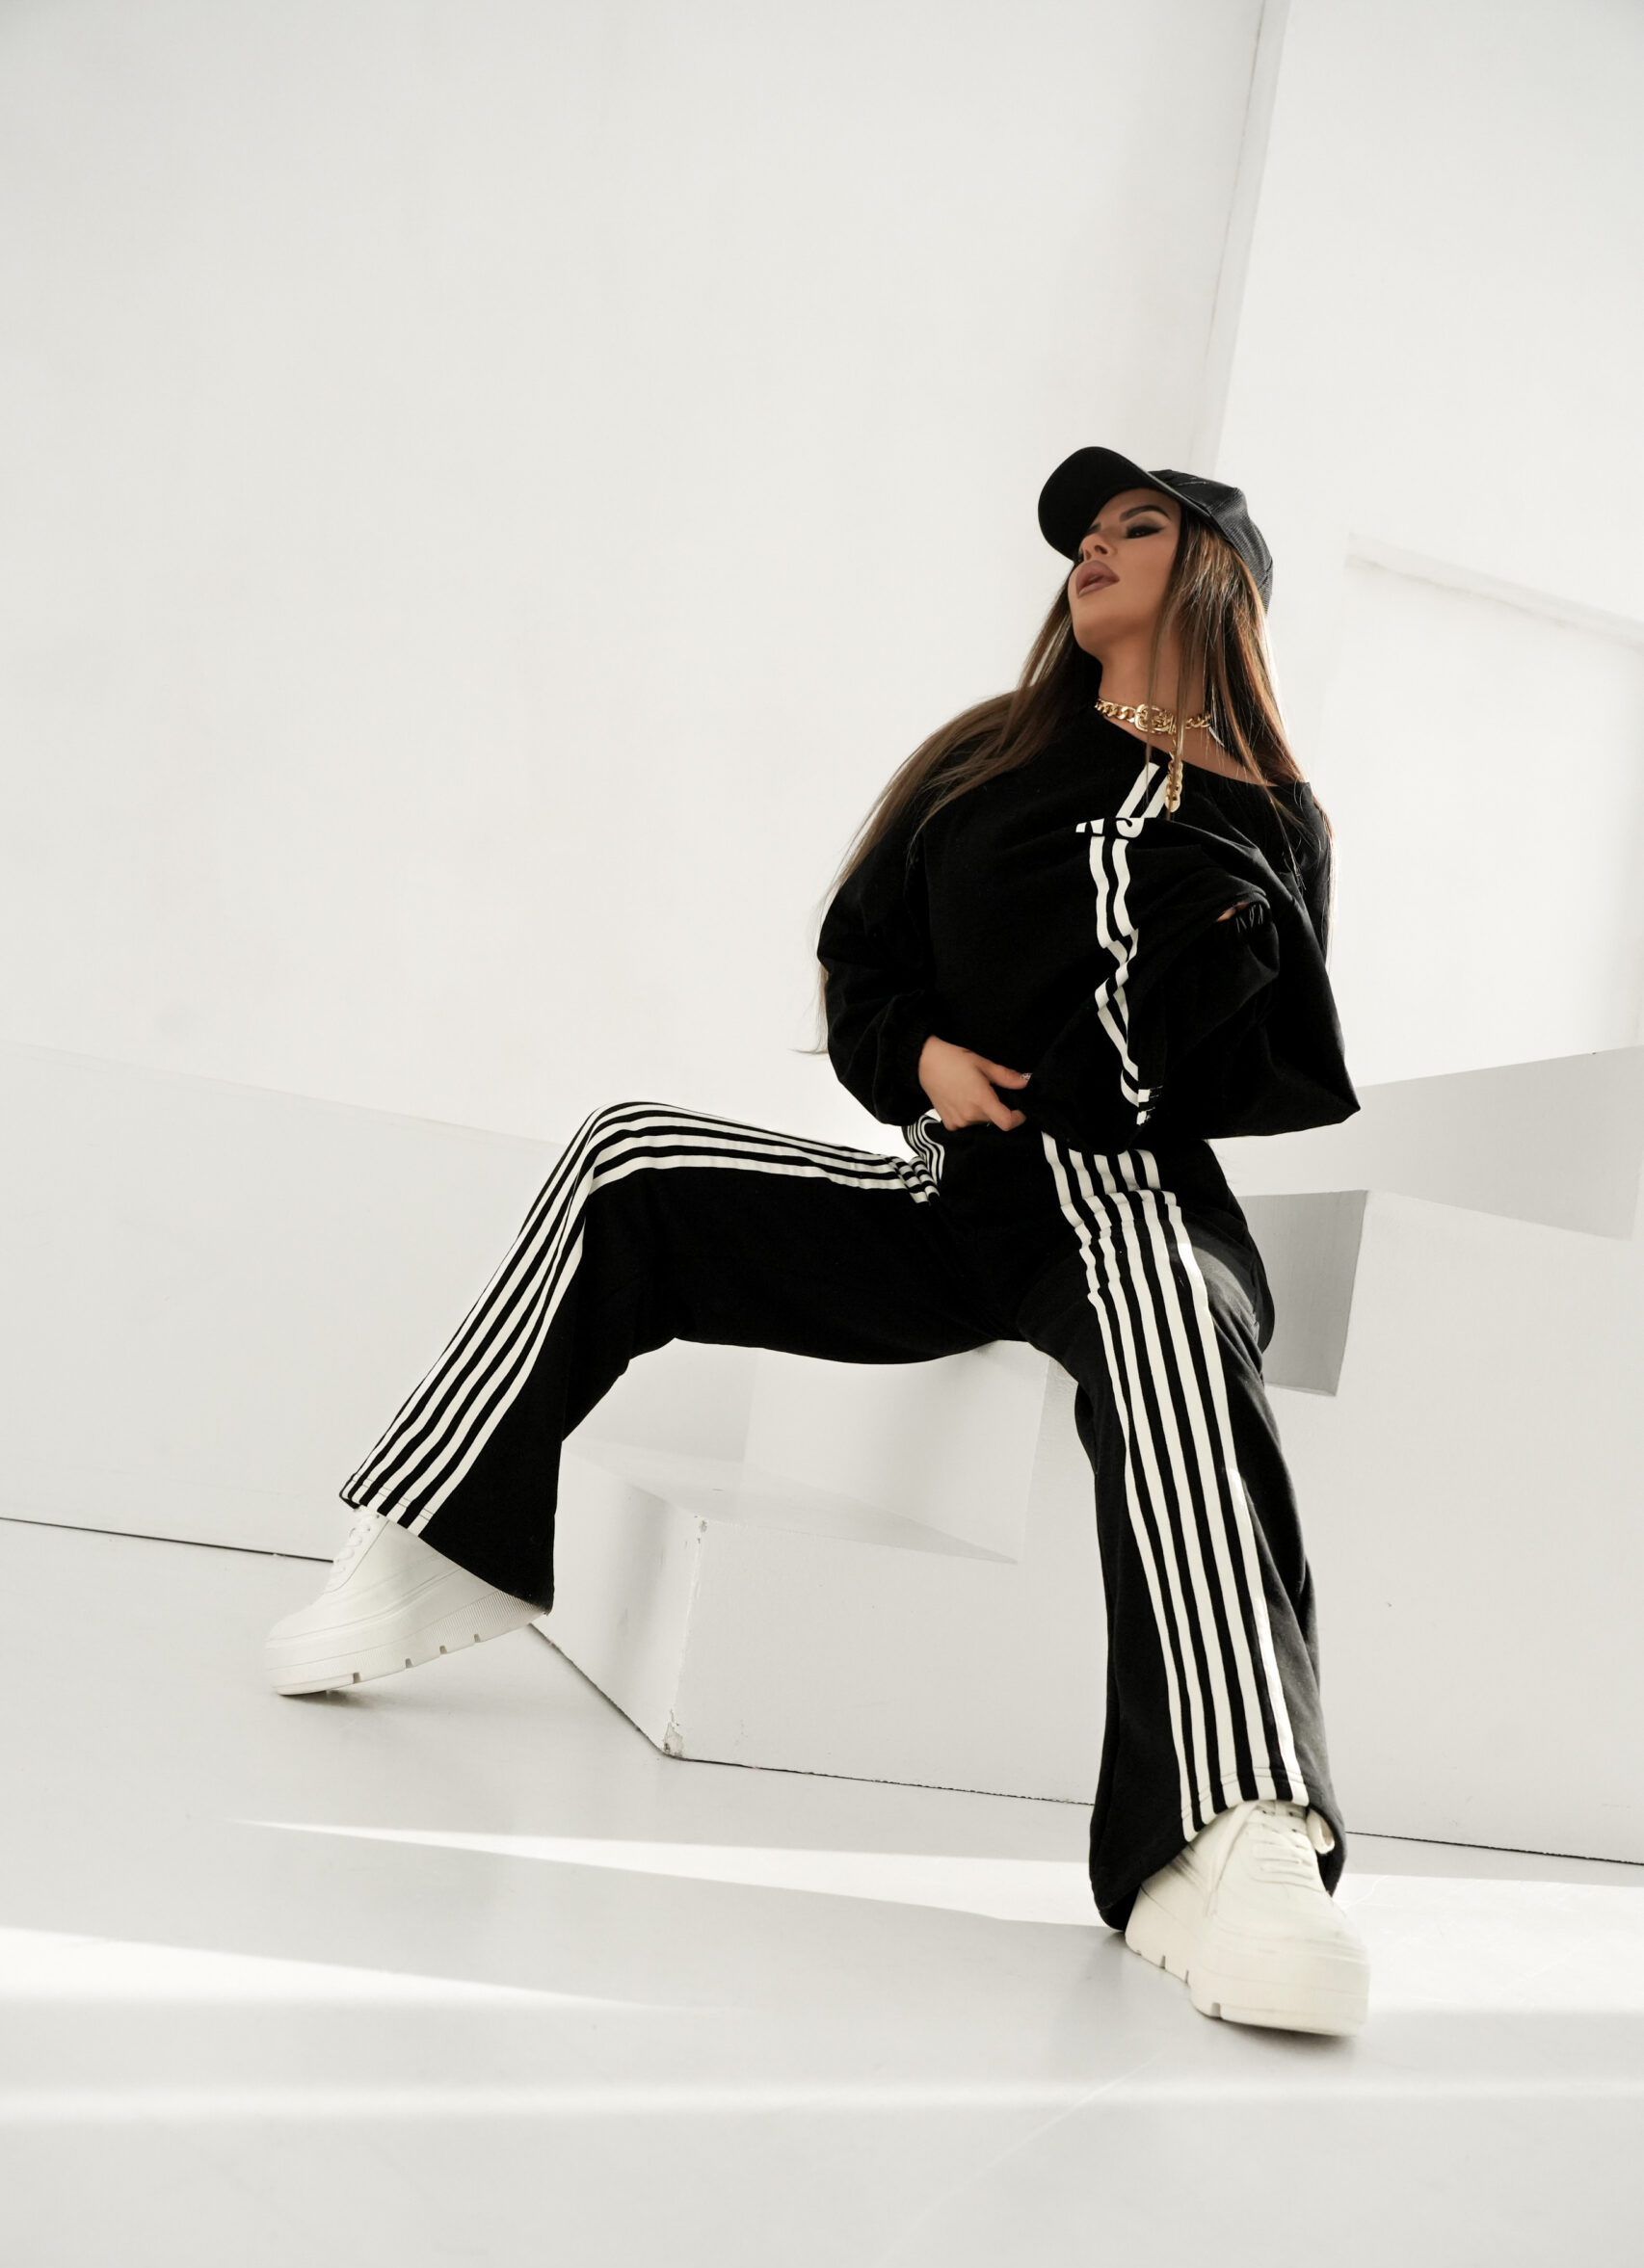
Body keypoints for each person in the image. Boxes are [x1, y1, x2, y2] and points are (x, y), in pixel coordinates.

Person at [265, 446, 1370, 2038]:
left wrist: (1191, 872)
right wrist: (913, 1058)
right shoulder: (985, 754)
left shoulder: (1267, 816)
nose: (1092, 549)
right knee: (631, 1155)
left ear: (1216, 579)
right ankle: (442, 1547)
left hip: (1125, 1198)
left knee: (1176, 1336)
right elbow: (863, 962)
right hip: (943, 1190)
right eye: (1083, 532)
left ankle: (1229, 1830)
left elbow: (1252, 1067)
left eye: (1140, 527)